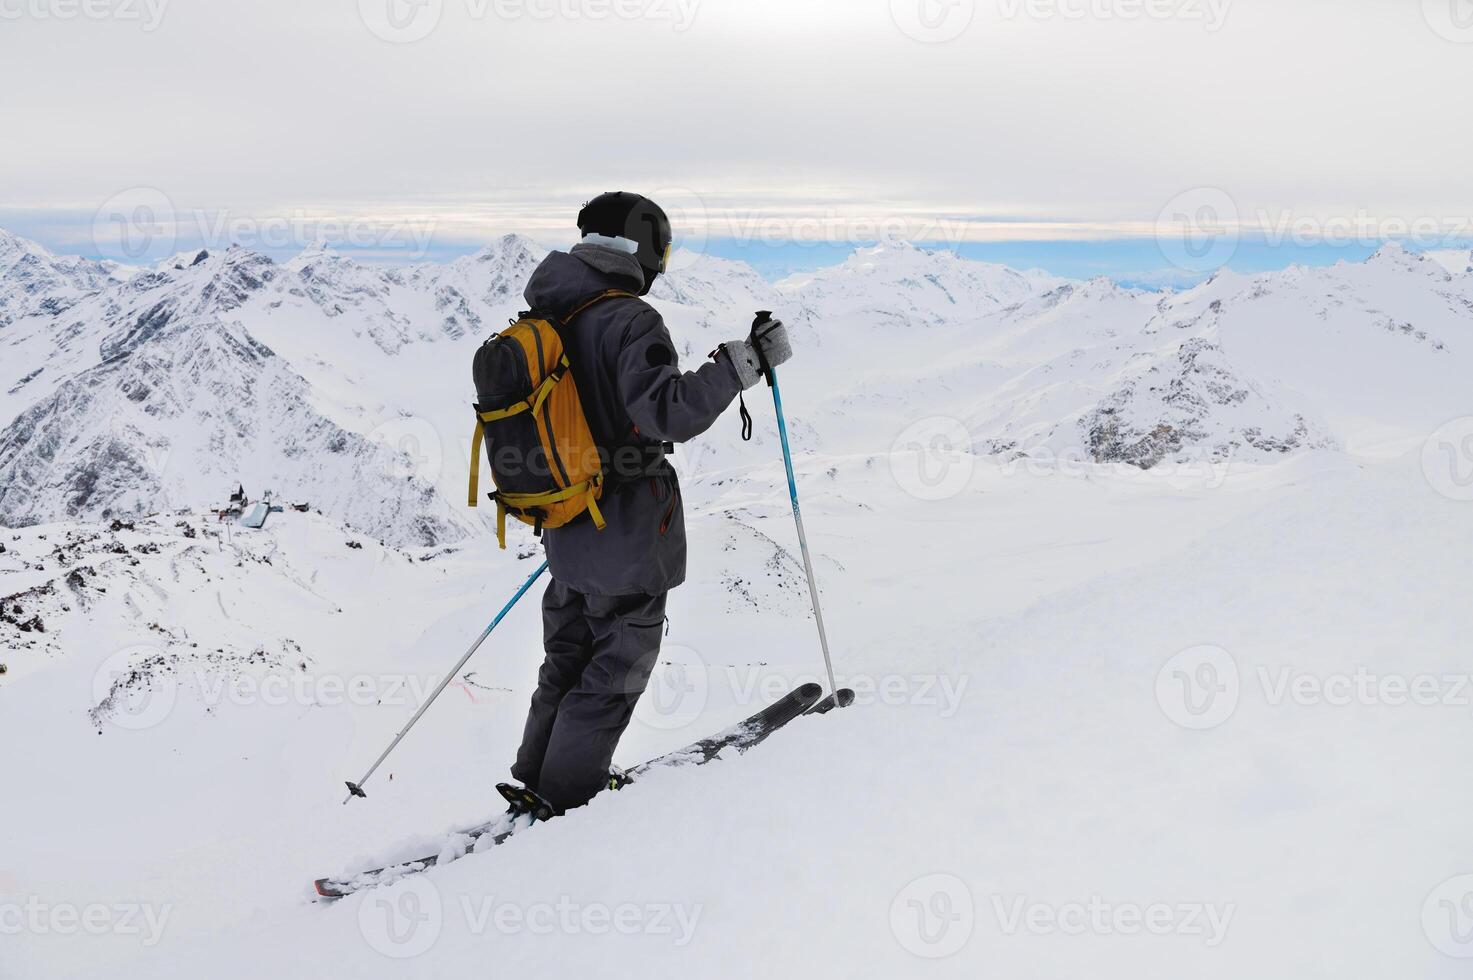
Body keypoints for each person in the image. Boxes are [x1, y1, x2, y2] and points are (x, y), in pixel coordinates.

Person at [507, 191, 792, 814]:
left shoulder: (547, 314)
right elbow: (669, 411)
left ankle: (536, 777)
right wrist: (743, 365)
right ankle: (567, 795)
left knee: (566, 657)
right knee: (614, 669)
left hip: (567, 521)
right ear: (641, 246)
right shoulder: (628, 319)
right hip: (626, 530)